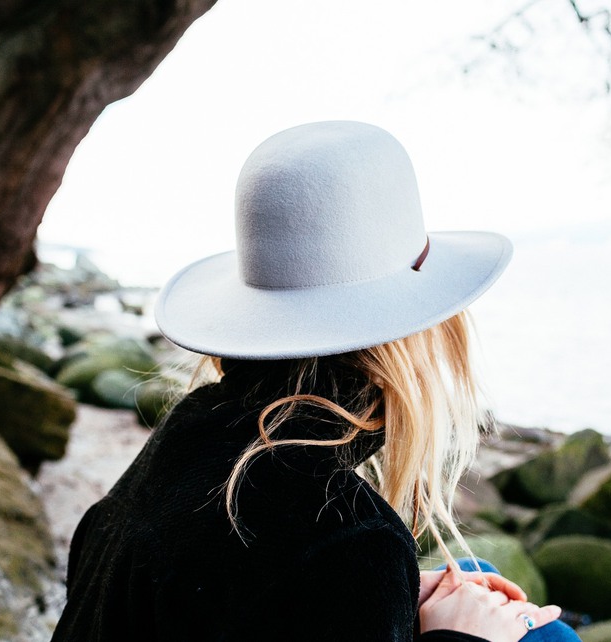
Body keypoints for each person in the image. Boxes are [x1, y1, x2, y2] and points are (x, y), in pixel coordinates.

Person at [51, 121, 580, 641]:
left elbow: (224, 588)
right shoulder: (346, 534)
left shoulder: (186, 440)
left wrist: (387, 595)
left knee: (481, 582)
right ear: (423, 335)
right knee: (546, 637)